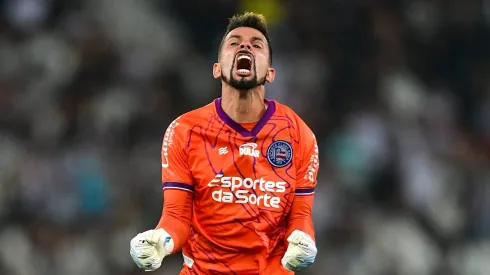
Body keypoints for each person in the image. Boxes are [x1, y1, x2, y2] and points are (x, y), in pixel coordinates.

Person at [129, 12, 319, 275]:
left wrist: (305, 242)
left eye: (257, 44)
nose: (245, 46)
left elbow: (300, 218)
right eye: (234, 42)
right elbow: (176, 216)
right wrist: (161, 241)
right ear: (217, 68)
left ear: (270, 73)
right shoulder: (185, 131)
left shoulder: (297, 133)